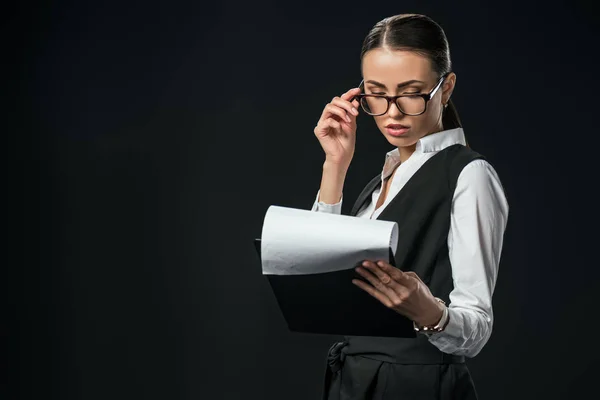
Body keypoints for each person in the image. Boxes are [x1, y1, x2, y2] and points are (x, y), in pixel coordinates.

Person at [310, 13, 509, 400]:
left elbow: (477, 329)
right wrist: (335, 164)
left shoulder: (470, 174)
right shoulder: (384, 176)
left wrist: (429, 312)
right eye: (376, 93)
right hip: (353, 382)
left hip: (417, 387)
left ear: (445, 87)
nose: (393, 111)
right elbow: (318, 275)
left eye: (411, 92)